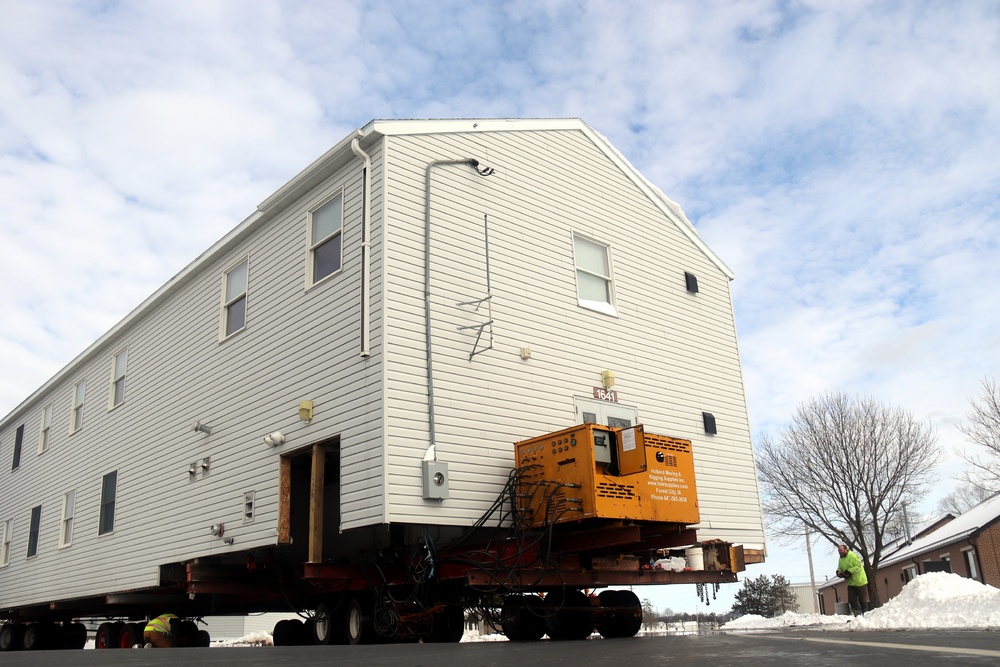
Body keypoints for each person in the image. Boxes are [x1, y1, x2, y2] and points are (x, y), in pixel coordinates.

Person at [836, 544, 870, 615]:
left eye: (841, 551)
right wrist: (839, 572)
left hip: (860, 582)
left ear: (846, 549)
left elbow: (859, 567)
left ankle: (866, 614)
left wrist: (849, 571)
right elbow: (839, 568)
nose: (840, 552)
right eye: (839, 551)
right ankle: (857, 614)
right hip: (851, 583)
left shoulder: (853, 556)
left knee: (862, 600)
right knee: (852, 600)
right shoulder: (841, 559)